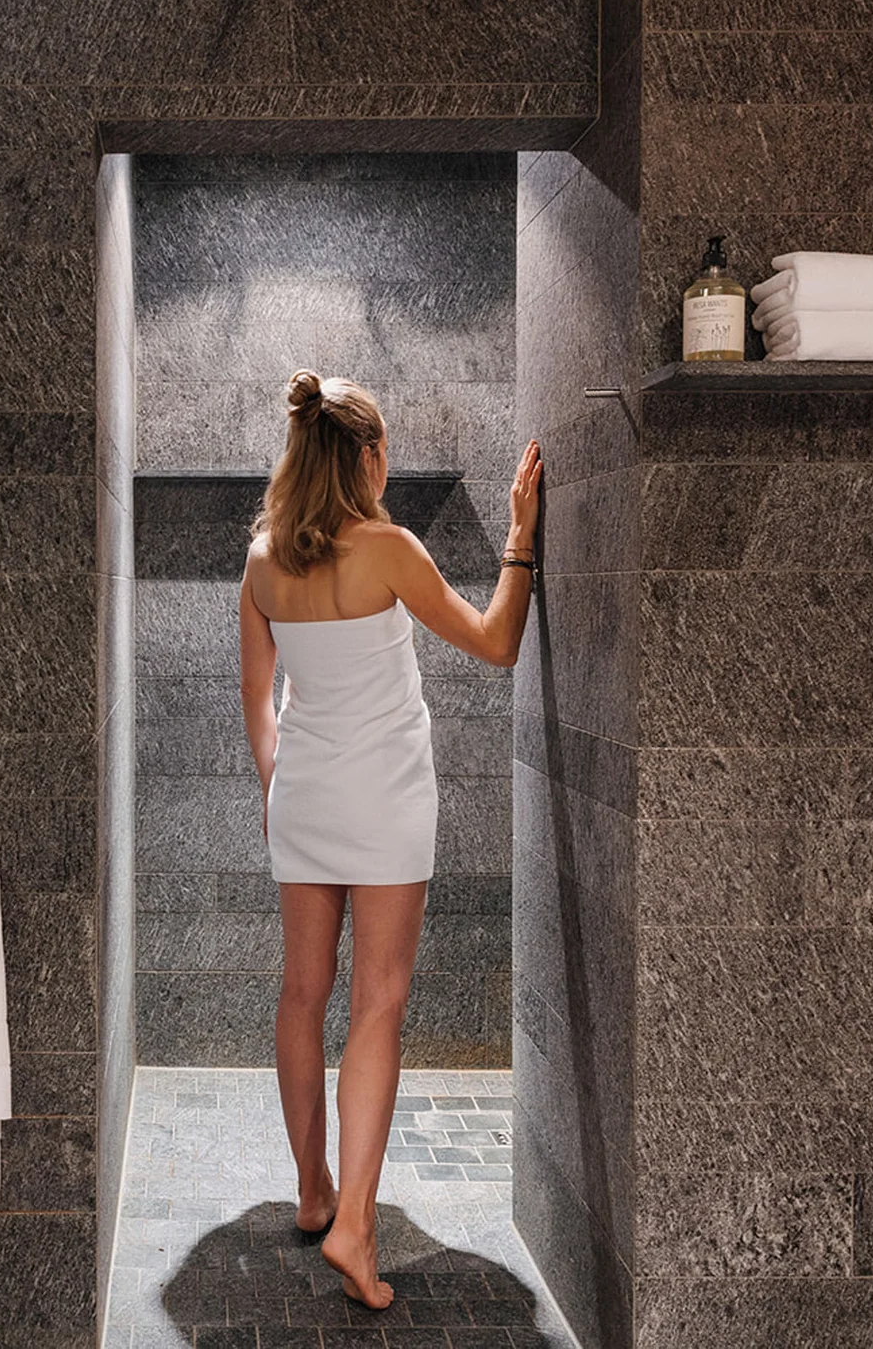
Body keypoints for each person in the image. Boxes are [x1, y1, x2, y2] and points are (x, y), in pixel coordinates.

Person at [237, 369, 541, 1310]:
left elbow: (259, 704)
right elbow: (496, 642)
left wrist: (275, 788)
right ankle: (357, 1230)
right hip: (387, 800)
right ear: (365, 457)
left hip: (306, 794)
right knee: (376, 1006)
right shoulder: (390, 548)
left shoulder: (261, 562)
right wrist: (521, 542)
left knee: (301, 992)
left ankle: (313, 1191)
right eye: (385, 450)